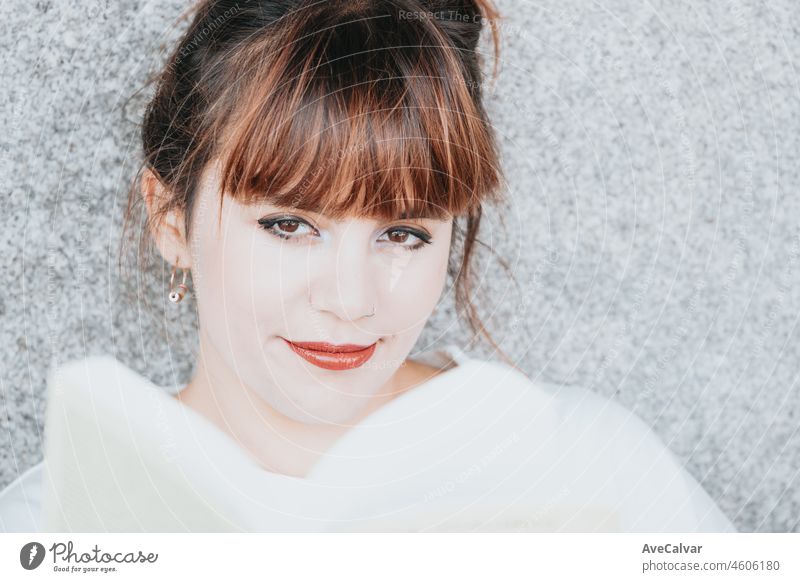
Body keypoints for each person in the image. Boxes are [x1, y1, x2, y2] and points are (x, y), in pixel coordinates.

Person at [0, 0, 736, 532]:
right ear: (171, 220)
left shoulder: (588, 468)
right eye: (288, 225)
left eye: (404, 233)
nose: (350, 302)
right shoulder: (58, 529)